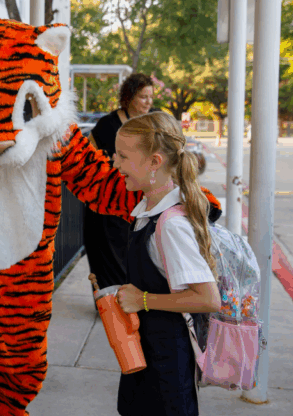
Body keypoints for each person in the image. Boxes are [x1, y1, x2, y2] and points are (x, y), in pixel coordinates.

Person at [112, 112, 222, 416]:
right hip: (146, 358)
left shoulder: (170, 225)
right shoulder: (148, 212)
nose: (115, 163)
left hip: (166, 372)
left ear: (154, 162)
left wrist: (143, 300)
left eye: (123, 156)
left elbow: (208, 298)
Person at [84, 73, 158, 290]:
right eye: (143, 97)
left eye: (150, 97)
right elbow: (89, 160)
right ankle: (109, 302)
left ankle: (132, 301)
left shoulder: (155, 122)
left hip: (141, 204)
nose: (148, 102)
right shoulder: (107, 125)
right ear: (129, 97)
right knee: (107, 262)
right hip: (107, 205)